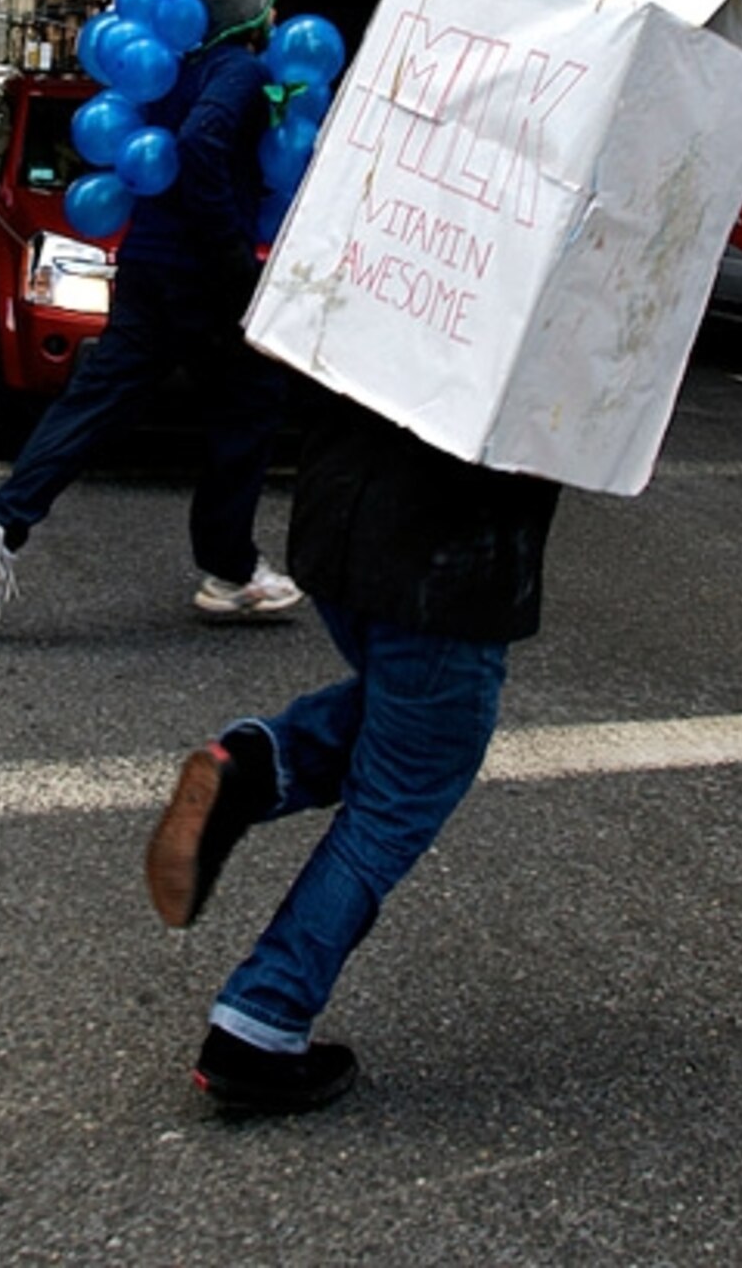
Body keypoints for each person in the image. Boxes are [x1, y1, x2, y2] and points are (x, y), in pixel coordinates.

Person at [142, 387, 560, 1113]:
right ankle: (261, 1021)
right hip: (449, 548)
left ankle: (251, 768)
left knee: (407, 713)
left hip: (339, 512)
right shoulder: (556, 271)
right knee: (404, 789)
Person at [0, 0, 304, 627]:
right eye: (270, 7)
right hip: (204, 277)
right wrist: (232, 253)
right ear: (251, 16)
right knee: (250, 407)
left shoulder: (175, 70)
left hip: (145, 265)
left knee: (92, 403)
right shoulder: (239, 71)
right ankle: (231, 571)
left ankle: (0, 527)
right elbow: (202, 146)